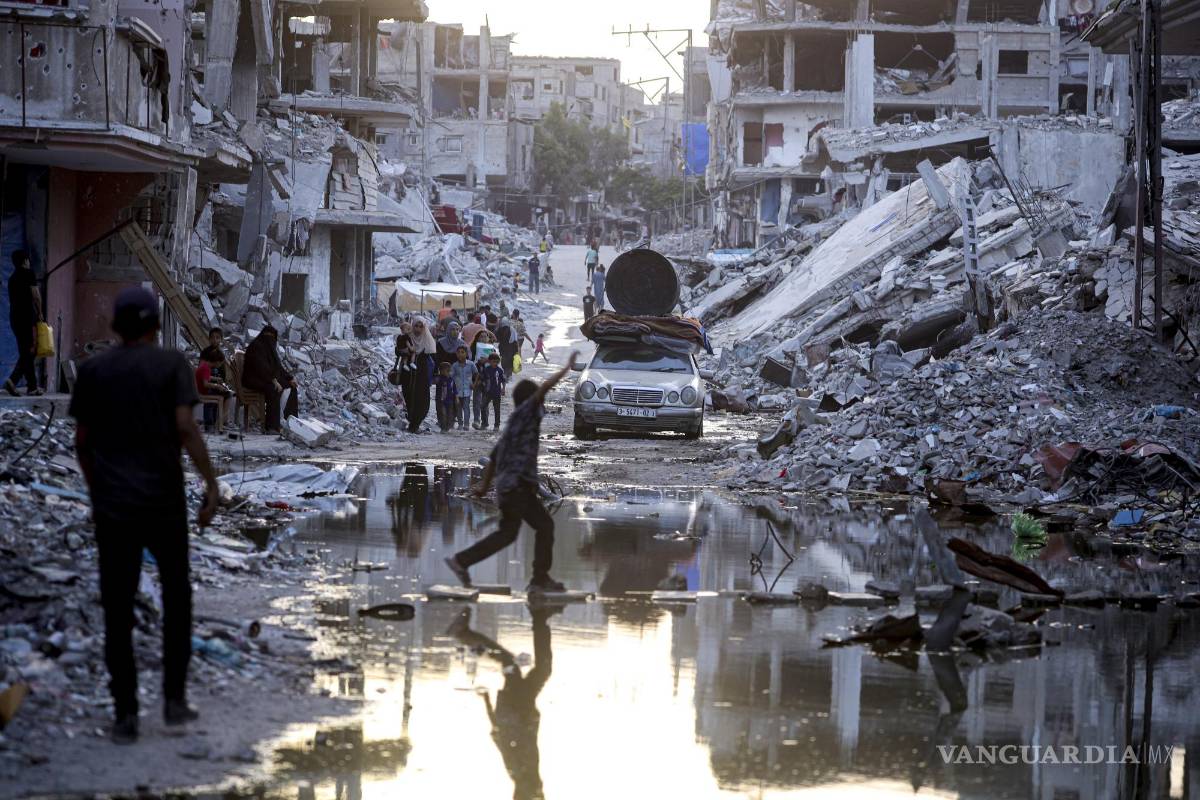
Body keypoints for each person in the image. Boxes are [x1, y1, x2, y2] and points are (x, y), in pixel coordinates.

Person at [70, 287, 219, 744]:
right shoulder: (172, 365)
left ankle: (125, 715)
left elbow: (83, 442)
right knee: (177, 598)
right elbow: (186, 428)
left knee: (118, 608)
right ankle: (173, 701)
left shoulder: (93, 371)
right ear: (156, 326)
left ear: (115, 326)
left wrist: (98, 492)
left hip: (114, 507)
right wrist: (212, 485)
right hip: (163, 503)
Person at [444, 351, 580, 592]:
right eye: (539, 401)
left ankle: (461, 561)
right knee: (545, 526)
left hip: (507, 488)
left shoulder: (513, 424)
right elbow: (543, 389)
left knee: (508, 533)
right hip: (518, 487)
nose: (542, 404)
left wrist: (483, 488)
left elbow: (494, 458)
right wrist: (566, 367)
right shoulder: (527, 414)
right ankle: (539, 580)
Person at [446, 606, 555, 800]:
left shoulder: (519, 770)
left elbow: (499, 734)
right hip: (521, 707)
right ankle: (540, 618)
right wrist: (488, 703)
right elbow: (498, 736)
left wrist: (488, 703)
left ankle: (463, 634)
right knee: (535, 667)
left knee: (515, 664)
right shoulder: (522, 774)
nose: (541, 792)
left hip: (516, 707)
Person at [243, 325, 298, 433]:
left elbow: (278, 367)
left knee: (292, 387)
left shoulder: (271, 350)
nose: (269, 340)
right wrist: (273, 380)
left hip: (267, 378)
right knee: (273, 388)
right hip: (253, 379)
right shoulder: (256, 347)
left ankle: (291, 423)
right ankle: (272, 426)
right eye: (267, 336)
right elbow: (260, 368)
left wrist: (290, 378)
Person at [4, 250, 43, 397]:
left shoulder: (12, 279)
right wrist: (40, 312)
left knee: (25, 352)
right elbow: (36, 295)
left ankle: (31, 386)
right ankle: (15, 381)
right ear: (26, 260)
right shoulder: (28, 273)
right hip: (26, 318)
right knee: (30, 352)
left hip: (15, 318)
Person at [403, 318, 436, 433]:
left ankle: (415, 424)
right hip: (408, 375)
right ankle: (412, 424)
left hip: (422, 375)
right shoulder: (407, 338)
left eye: (421, 326)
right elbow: (398, 350)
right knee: (409, 397)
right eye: (416, 326)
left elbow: (432, 358)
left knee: (422, 400)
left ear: (424, 328)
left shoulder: (427, 340)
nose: (417, 329)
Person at [195, 346, 236, 431]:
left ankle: (217, 422)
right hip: (204, 392)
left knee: (225, 394)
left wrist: (216, 379)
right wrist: (217, 386)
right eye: (220, 363)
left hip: (201, 391)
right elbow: (206, 384)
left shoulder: (204, 366)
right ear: (217, 362)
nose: (220, 365)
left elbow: (205, 377)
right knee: (227, 394)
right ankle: (220, 422)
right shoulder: (206, 368)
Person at [451, 345, 478, 431]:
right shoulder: (455, 365)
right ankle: (460, 424)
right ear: (456, 354)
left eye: (462, 352)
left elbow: (477, 374)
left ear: (466, 354)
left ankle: (466, 424)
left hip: (467, 390)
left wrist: (474, 384)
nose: (460, 354)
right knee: (458, 408)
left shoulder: (471, 364)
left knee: (466, 408)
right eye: (458, 352)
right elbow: (451, 376)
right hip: (457, 391)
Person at [477, 351, 506, 430]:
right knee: (483, 406)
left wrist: (503, 389)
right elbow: (482, 378)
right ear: (489, 361)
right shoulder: (486, 369)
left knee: (497, 409)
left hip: (497, 392)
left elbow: (503, 380)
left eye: (497, 362)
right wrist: (481, 383)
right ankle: (484, 423)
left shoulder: (500, 370)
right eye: (493, 361)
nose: (495, 363)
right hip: (487, 392)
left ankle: (496, 425)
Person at [496, 314, 519, 378]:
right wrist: (516, 351)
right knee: (510, 362)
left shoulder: (499, 329)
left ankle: (506, 374)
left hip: (503, 349)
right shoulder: (512, 329)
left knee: (504, 362)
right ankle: (509, 375)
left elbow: (497, 339)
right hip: (511, 349)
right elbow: (515, 340)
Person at [435, 361, 455, 433]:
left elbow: (454, 388)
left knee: (449, 414)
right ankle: (443, 427)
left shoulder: (451, 379)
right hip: (441, 400)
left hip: (450, 400)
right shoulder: (439, 378)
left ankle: (448, 426)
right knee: (442, 413)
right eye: (447, 371)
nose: (448, 372)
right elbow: (435, 381)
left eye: (449, 371)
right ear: (441, 371)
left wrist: (456, 397)